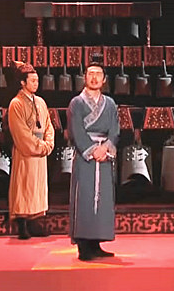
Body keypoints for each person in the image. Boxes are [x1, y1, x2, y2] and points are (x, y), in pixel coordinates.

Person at [67, 53, 120, 261]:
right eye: (91, 74)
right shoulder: (76, 103)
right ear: (85, 77)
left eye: (98, 74)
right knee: (85, 197)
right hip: (86, 157)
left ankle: (97, 242)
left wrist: (106, 149)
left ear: (104, 79)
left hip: (104, 156)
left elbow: (115, 130)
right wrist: (92, 150)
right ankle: (83, 245)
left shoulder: (110, 104)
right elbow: (76, 131)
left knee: (102, 199)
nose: (95, 78)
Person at [8, 61, 55, 239]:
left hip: (40, 151)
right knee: (24, 185)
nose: (36, 84)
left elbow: (48, 125)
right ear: (23, 82)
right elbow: (20, 132)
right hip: (26, 151)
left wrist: (48, 143)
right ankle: (22, 223)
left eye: (37, 81)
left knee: (37, 187)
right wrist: (39, 146)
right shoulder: (16, 103)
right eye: (32, 81)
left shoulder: (41, 102)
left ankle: (35, 221)